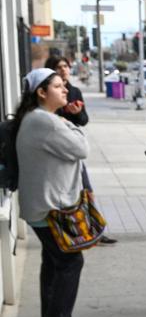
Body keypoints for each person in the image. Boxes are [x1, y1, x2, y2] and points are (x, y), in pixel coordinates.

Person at [14, 68, 91, 317]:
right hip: (50, 208)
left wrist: (66, 118)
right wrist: (70, 119)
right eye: (58, 86)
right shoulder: (44, 121)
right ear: (42, 92)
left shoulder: (42, 118)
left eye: (64, 85)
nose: (65, 90)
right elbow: (82, 148)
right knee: (70, 260)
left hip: (44, 206)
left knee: (55, 262)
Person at [46, 54, 117, 245]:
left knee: (88, 191)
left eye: (66, 66)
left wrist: (76, 114)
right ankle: (70, 232)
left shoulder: (74, 91)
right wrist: (63, 112)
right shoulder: (47, 94)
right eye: (59, 67)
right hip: (55, 152)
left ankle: (95, 230)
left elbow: (84, 120)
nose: (63, 70)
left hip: (73, 150)